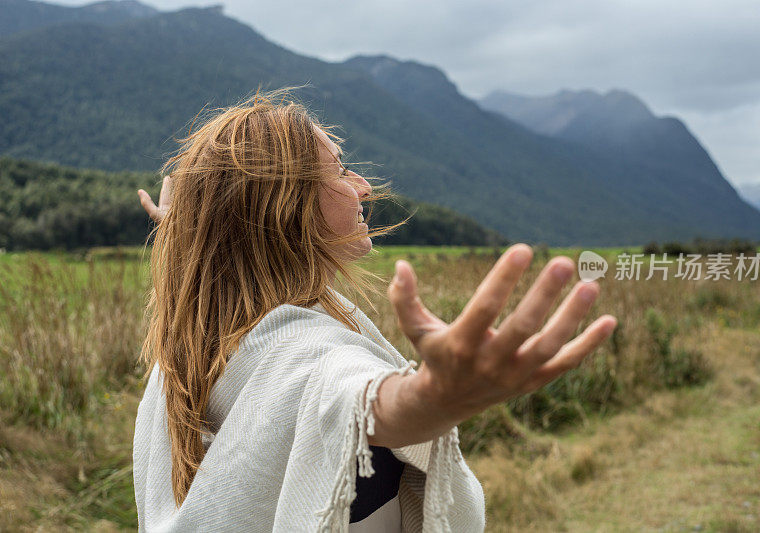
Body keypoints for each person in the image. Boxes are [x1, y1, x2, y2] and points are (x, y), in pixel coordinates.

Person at [133, 91, 617, 532]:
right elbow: (348, 395)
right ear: (282, 207)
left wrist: (188, 227)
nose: (363, 186)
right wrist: (436, 396)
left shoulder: (197, 340)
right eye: (340, 170)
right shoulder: (300, 352)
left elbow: (227, 246)